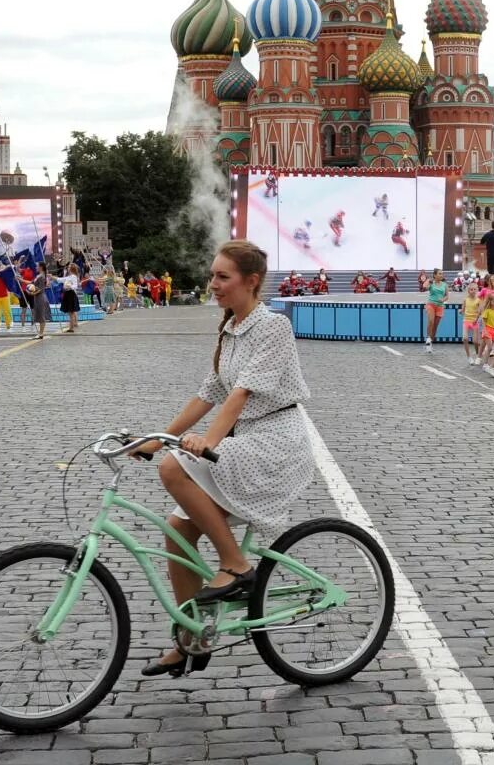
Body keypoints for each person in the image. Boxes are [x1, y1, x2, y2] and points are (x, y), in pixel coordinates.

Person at [130, 240, 313, 678]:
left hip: (275, 441)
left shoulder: (272, 327)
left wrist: (205, 443)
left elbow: (240, 394)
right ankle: (193, 637)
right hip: (247, 438)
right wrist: (158, 438)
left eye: (222, 277)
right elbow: (208, 393)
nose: (213, 284)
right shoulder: (231, 329)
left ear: (251, 282)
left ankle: (236, 565)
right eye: (212, 275)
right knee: (176, 532)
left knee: (175, 468)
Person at [424, 269, 447, 353]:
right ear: (435, 275)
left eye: (442, 274)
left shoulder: (444, 285)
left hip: (440, 306)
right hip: (431, 304)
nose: (441, 275)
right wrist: (427, 281)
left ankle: (430, 344)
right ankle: (428, 338)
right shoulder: (431, 283)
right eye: (440, 274)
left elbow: (447, 296)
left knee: (435, 326)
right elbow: (425, 287)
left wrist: (443, 299)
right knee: (431, 321)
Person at [60, 263, 82, 333]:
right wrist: (53, 277)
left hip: (71, 294)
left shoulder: (73, 276)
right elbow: (61, 279)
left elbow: (75, 286)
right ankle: (73, 324)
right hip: (69, 293)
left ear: (72, 268)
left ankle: (72, 326)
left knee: (71, 311)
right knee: (72, 311)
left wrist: (69, 286)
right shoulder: (70, 276)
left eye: (69, 267)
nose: (68, 268)